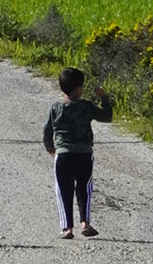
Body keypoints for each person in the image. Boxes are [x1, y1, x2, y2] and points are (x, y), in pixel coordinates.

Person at [42, 66, 113, 239]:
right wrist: (103, 97)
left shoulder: (56, 108)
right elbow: (107, 116)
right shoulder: (86, 106)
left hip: (63, 155)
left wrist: (50, 147)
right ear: (79, 88)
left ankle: (67, 228)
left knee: (63, 190)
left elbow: (47, 130)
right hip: (84, 155)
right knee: (84, 188)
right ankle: (85, 223)